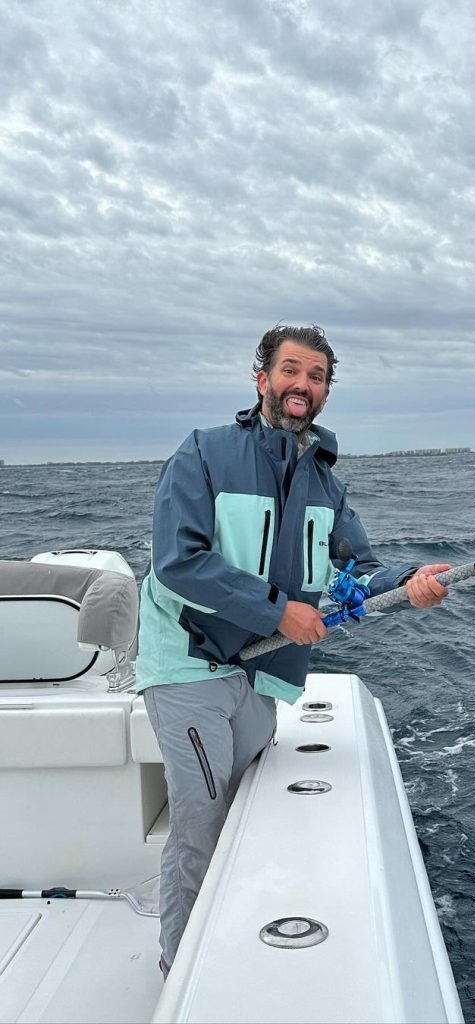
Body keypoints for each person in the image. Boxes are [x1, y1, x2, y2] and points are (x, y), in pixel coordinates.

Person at [135, 325, 450, 977]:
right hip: (187, 663)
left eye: (317, 376)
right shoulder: (202, 454)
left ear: (326, 392)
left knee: (244, 798)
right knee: (202, 805)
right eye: (291, 371)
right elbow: (177, 562)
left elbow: (360, 570)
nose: (302, 384)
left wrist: (411, 582)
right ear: (262, 380)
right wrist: (280, 609)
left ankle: (227, 920)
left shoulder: (325, 485)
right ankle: (180, 962)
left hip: (263, 672)